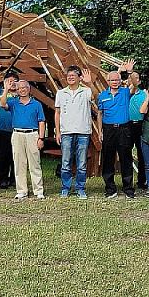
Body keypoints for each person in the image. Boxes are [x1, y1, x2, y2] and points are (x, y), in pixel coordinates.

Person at [97, 59, 136, 199]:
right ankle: (110, 188)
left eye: (117, 79)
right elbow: (100, 114)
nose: (115, 82)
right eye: (112, 80)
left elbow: (134, 84)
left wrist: (129, 71)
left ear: (120, 80)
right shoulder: (102, 96)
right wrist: (100, 131)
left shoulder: (125, 92)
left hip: (124, 129)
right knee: (108, 158)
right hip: (108, 130)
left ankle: (128, 188)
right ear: (107, 81)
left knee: (126, 158)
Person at [54, 66, 93, 199]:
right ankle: (65, 188)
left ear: (79, 77)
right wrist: (58, 131)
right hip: (66, 131)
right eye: (68, 75)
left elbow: (95, 99)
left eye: (73, 75)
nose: (70, 77)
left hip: (83, 131)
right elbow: (57, 112)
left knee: (81, 163)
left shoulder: (86, 90)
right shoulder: (61, 93)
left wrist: (89, 82)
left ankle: (80, 188)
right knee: (66, 162)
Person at [2, 79, 45, 200]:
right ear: (17, 90)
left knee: (35, 163)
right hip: (17, 134)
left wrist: (41, 138)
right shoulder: (13, 102)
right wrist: (6, 89)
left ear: (29, 88)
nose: (22, 90)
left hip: (32, 134)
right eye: (19, 88)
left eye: (24, 87)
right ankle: (21, 190)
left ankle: (38, 190)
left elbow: (41, 121)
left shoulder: (36, 104)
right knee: (19, 163)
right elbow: (2, 104)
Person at [0, 71, 18, 189]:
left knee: (17, 157)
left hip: (17, 130)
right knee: (3, 156)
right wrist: (6, 89)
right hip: (3, 130)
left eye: (14, 81)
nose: (12, 83)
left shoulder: (21, 94)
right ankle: (3, 179)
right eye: (9, 81)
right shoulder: (1, 93)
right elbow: (0, 102)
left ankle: (14, 179)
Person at [127, 71, 148, 190]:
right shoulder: (125, 93)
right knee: (126, 155)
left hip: (141, 125)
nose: (133, 80)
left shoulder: (143, 94)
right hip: (128, 125)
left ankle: (142, 181)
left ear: (139, 81)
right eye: (131, 78)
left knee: (142, 154)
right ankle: (128, 181)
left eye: (136, 78)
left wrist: (131, 73)